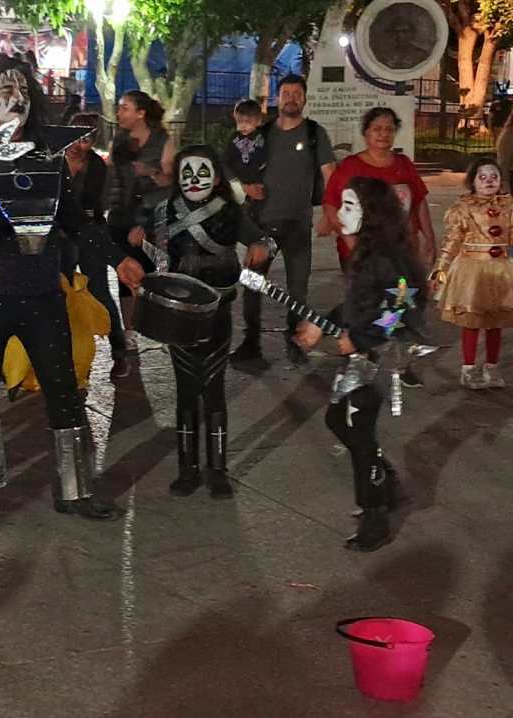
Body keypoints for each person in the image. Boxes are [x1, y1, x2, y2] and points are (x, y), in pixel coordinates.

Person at [0, 53, 145, 524]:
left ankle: (75, 491)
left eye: (22, 90)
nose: (16, 99)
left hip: (43, 293)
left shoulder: (47, 159)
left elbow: (76, 222)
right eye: (4, 91)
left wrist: (119, 258)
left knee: (65, 390)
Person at [129, 145, 275, 499]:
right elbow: (140, 245)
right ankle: (187, 469)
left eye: (203, 172)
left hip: (217, 313)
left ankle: (217, 470)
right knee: (185, 391)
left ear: (217, 176)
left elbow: (264, 240)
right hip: (177, 315)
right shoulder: (163, 211)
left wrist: (261, 247)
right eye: (187, 173)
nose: (194, 180)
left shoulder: (230, 212)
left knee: (213, 390)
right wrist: (136, 240)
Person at [295, 177, 426, 551]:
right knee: (339, 421)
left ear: (373, 214)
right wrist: (322, 325)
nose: (340, 213)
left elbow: (400, 307)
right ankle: (386, 483)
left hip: (378, 358)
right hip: (361, 356)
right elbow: (358, 304)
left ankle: (375, 516)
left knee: (359, 430)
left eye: (350, 206)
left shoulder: (387, 258)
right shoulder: (365, 253)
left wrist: (362, 338)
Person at [320, 107, 434, 388]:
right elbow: (331, 205)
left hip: (401, 253)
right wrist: (351, 242)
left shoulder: (403, 164)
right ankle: (360, 357)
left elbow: (419, 201)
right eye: (377, 129)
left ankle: (401, 362)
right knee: (364, 306)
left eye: (389, 129)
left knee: (402, 305)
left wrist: (429, 239)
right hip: (363, 255)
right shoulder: (351, 167)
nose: (383, 134)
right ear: (366, 133)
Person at [231, 74, 336, 366]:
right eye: (286, 93)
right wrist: (245, 187)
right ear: (277, 98)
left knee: (298, 289)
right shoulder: (261, 133)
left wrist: (331, 213)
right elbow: (236, 163)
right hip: (261, 225)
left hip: (298, 224)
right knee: (252, 284)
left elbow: (331, 175)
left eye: (296, 93)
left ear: (304, 98)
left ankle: (295, 341)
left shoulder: (315, 133)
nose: (291, 98)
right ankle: (251, 343)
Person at [430, 157, 513, 389]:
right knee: (472, 321)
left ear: (501, 180)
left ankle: (491, 368)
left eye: (494, 176)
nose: (489, 181)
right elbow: (451, 242)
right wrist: (440, 270)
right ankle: (468, 369)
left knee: (496, 321)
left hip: (501, 270)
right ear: (472, 181)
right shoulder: (463, 208)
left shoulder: (509, 206)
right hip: (472, 271)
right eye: (482, 177)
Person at [62, 111, 130, 380]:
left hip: (90, 233)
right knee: (62, 293)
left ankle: (119, 351)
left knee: (100, 291)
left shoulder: (98, 167)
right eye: (74, 138)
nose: (78, 145)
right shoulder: (54, 161)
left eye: (85, 140)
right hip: (61, 237)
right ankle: (67, 356)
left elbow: (95, 206)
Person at [107, 90, 173, 351]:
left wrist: (151, 172)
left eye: (125, 108)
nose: (119, 112)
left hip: (150, 216)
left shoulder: (162, 140)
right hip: (120, 215)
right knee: (126, 276)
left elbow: (171, 181)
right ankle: (130, 330)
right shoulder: (119, 138)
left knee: (153, 275)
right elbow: (111, 175)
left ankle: (162, 327)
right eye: (119, 107)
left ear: (141, 113)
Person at [221, 98, 266, 220]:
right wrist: (237, 184)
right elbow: (225, 161)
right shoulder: (234, 138)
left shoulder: (263, 137)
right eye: (240, 121)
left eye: (248, 121)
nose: (244, 125)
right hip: (238, 184)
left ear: (258, 121)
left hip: (259, 184)